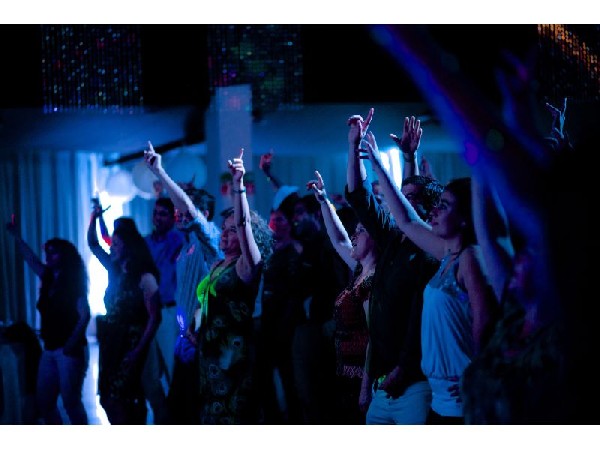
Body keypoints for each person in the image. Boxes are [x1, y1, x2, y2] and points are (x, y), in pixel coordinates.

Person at [361, 119, 497, 423]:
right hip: (439, 396)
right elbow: (406, 220)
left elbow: (484, 325)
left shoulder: (470, 258)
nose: (434, 209)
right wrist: (378, 165)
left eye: (444, 206)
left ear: (465, 217)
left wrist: (478, 376)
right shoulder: (446, 253)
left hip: (463, 398)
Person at [345, 107, 443, 425]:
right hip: (381, 382)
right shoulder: (390, 238)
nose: (399, 200)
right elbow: (360, 197)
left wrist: (402, 368)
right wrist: (353, 147)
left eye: (409, 197)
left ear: (429, 211)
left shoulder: (430, 252)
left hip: (414, 383)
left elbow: (418, 319)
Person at [180, 148, 273, 424]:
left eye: (233, 231)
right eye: (225, 228)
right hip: (209, 351)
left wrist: (238, 184)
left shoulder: (248, 265)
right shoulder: (217, 265)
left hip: (233, 356)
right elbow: (205, 300)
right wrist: (195, 326)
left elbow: (244, 223)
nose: (225, 233)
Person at [143, 141, 222, 423]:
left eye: (185, 208)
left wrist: (161, 173)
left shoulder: (210, 239)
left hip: (202, 336)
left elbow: (189, 208)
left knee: (196, 409)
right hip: (184, 333)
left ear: (205, 214)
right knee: (181, 408)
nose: (178, 212)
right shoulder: (186, 245)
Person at [307, 170, 377, 424]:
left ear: (377, 238)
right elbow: (339, 238)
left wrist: (365, 387)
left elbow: (374, 338)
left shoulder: (375, 279)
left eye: (360, 231)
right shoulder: (359, 269)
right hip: (344, 372)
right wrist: (324, 201)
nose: (354, 236)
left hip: (363, 377)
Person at [6, 222, 90, 424]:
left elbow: (85, 315)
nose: (48, 256)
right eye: (48, 252)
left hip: (68, 351)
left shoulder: (73, 282)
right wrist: (16, 236)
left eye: (54, 253)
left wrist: (71, 343)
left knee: (71, 403)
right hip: (50, 348)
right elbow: (31, 259)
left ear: (65, 256)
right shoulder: (48, 278)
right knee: (44, 402)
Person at [88, 206, 161, 424]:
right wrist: (94, 218)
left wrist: (138, 350)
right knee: (107, 397)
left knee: (123, 397)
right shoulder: (114, 270)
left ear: (128, 247)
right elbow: (93, 244)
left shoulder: (145, 276)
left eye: (116, 245)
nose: (111, 248)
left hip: (130, 341)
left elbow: (154, 317)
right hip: (111, 341)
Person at [142, 194, 184, 424]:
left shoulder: (178, 240)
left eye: (163, 214)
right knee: (149, 375)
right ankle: (163, 418)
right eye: (155, 213)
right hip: (148, 313)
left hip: (169, 311)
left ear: (173, 217)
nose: (157, 218)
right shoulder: (145, 243)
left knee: (172, 369)